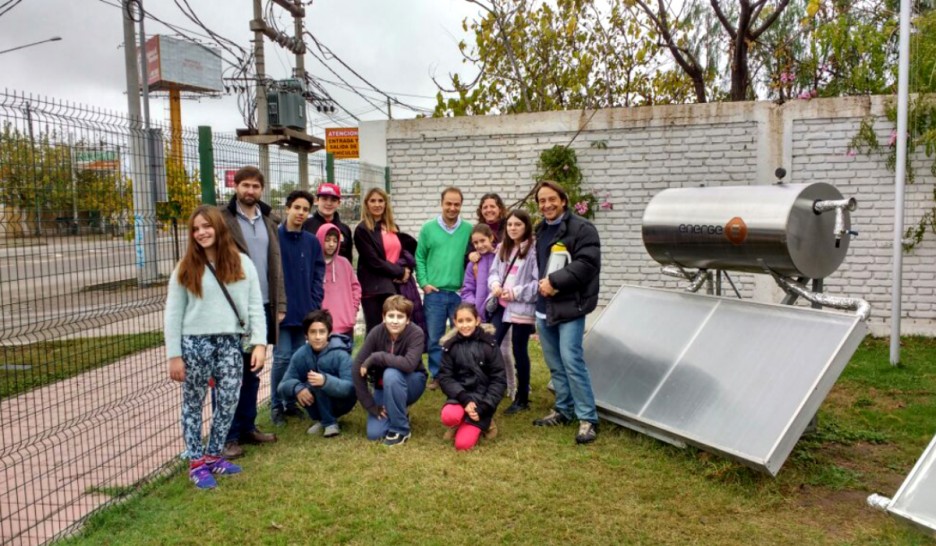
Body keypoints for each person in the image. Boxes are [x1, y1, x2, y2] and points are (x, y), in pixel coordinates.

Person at [165, 205, 267, 489]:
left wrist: (258, 342)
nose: (201, 233)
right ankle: (196, 462)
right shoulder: (185, 267)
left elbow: (254, 306)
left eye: (206, 226)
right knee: (193, 403)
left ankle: (213, 454)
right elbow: (173, 315)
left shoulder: (242, 263)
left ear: (219, 227)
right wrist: (175, 355)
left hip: (230, 342)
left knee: (228, 400)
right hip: (195, 343)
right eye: (195, 229)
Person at [220, 165, 284, 458]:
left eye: (255, 186)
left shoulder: (268, 220)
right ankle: (227, 436)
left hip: (264, 305)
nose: (250, 191)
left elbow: (276, 266)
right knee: (230, 373)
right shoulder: (223, 220)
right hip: (234, 307)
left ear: (261, 189)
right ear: (236, 187)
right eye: (245, 185)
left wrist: (279, 304)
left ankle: (247, 426)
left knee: (253, 370)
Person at [532, 180, 601, 445]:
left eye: (552, 199)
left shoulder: (582, 229)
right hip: (543, 308)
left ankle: (587, 418)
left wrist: (555, 282)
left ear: (564, 200)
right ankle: (563, 409)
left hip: (570, 307)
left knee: (572, 362)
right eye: (542, 201)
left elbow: (587, 264)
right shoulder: (541, 230)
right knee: (555, 364)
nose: (547, 205)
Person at [270, 190, 325, 427]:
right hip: (282, 312)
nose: (301, 213)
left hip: (305, 312)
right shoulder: (275, 238)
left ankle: (291, 402)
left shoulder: (311, 242)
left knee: (298, 359)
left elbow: (318, 274)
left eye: (305, 209)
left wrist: (314, 304)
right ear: (287, 209)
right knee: (281, 358)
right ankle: (275, 405)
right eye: (297, 208)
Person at [416, 186, 473, 389]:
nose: (452, 207)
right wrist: (424, 283)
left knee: (461, 336)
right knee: (435, 337)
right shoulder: (428, 229)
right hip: (436, 293)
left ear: (461, 205)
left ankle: (460, 373)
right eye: (448, 203)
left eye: (456, 204)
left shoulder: (468, 230)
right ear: (441, 203)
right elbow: (420, 257)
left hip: (459, 293)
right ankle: (438, 375)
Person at [352, 295, 427, 446]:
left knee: (391, 374)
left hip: (412, 382)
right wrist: (371, 405)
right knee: (375, 434)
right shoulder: (376, 332)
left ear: (407, 320)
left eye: (400, 316)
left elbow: (408, 364)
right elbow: (356, 368)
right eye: (390, 316)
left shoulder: (416, 333)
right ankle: (400, 412)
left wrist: (377, 357)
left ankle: (401, 429)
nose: (394, 320)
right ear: (383, 317)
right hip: (383, 387)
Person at [488, 210, 539, 415]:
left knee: (519, 350)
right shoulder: (502, 248)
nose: (513, 228)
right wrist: (495, 285)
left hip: (520, 308)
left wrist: (515, 292)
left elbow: (537, 282)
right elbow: (493, 272)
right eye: (509, 225)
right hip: (500, 306)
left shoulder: (533, 251)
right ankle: (494, 386)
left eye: (517, 224)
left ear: (526, 226)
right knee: (491, 344)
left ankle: (522, 397)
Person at [437, 303, 507, 451]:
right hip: (460, 395)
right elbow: (445, 377)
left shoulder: (490, 345)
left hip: (482, 400)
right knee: (448, 416)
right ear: (454, 322)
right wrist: (463, 398)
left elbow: (498, 380)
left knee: (462, 445)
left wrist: (484, 407)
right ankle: (459, 421)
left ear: (477, 320)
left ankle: (487, 423)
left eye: (468, 320)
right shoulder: (450, 346)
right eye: (460, 321)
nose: (465, 325)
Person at [277, 310, 356, 438]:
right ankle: (323, 421)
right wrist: (297, 388)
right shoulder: (300, 355)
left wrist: (326, 381)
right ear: (306, 335)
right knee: (308, 384)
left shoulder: (341, 354)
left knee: (316, 381)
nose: (318, 336)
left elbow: (351, 388)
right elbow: (282, 387)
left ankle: (329, 423)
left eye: (322, 332)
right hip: (314, 402)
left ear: (329, 333)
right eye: (313, 332)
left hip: (342, 402)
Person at [353, 187, 417, 333]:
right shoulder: (362, 230)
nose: (377, 204)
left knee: (394, 331)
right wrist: (400, 272)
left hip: (394, 287)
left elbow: (403, 253)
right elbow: (373, 261)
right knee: (376, 332)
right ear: (366, 204)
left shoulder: (393, 228)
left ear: (386, 204)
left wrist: (407, 269)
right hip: (374, 289)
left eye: (381, 201)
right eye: (373, 201)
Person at [316, 224, 361, 338]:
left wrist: (353, 311)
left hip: (345, 324)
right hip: (322, 326)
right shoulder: (313, 265)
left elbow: (356, 288)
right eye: (327, 240)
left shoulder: (344, 263)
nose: (331, 244)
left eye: (335, 241)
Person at [303, 182, 353, 263]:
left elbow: (348, 261)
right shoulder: (305, 226)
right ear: (317, 200)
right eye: (324, 199)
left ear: (338, 203)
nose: (329, 203)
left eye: (333, 200)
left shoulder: (345, 230)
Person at [460, 224, 496, 323]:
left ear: (491, 238)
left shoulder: (501, 258)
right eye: (475, 243)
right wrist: (474, 306)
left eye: (483, 240)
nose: (479, 245)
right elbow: (467, 291)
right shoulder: (472, 264)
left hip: (500, 314)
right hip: (480, 316)